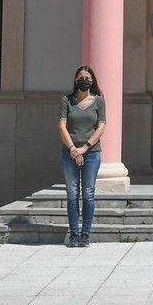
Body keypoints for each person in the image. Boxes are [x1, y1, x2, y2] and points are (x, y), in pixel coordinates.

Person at [57, 64, 104, 246]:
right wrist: (72, 148)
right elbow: (62, 125)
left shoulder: (99, 101)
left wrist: (84, 148)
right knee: (72, 193)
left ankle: (85, 234)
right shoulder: (66, 100)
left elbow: (101, 126)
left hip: (91, 153)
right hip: (70, 153)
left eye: (87, 78)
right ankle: (74, 234)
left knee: (88, 193)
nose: (84, 81)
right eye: (81, 78)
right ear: (76, 80)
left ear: (92, 81)